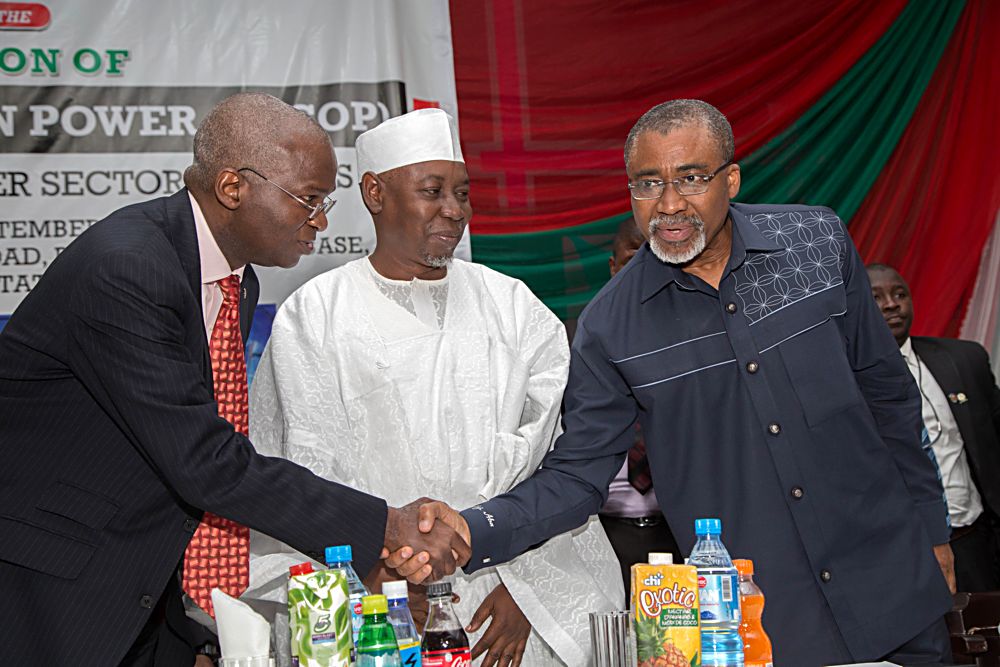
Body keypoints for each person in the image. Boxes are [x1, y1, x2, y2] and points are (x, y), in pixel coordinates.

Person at [407, 99, 957, 666]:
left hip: (894, 587)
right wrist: (476, 528)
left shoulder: (815, 244)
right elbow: (577, 475)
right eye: (648, 183)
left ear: (731, 179)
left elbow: (887, 394)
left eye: (691, 178)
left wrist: (934, 530)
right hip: (755, 626)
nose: (669, 205)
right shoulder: (611, 326)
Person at [0, 93, 467, 667]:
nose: (321, 220)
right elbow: (205, 461)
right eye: (310, 200)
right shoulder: (127, 268)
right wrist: (386, 525)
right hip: (52, 591)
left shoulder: (232, 279)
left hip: (143, 591)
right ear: (232, 189)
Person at [247, 108, 623, 667]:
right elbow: (290, 473)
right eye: (433, 190)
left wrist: (525, 592)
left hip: (510, 607)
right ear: (375, 193)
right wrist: (373, 579)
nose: (454, 210)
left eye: (463, 192)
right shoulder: (317, 315)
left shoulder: (513, 307)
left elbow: (565, 467)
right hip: (375, 610)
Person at [868, 263, 1000, 592]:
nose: (891, 304)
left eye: (900, 294)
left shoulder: (964, 360)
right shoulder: (845, 383)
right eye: (876, 298)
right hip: (905, 553)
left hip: (975, 541)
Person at [598, 216, 681, 591]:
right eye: (632, 261)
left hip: (683, 531)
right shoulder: (584, 345)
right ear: (613, 267)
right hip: (605, 532)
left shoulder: (695, 341)